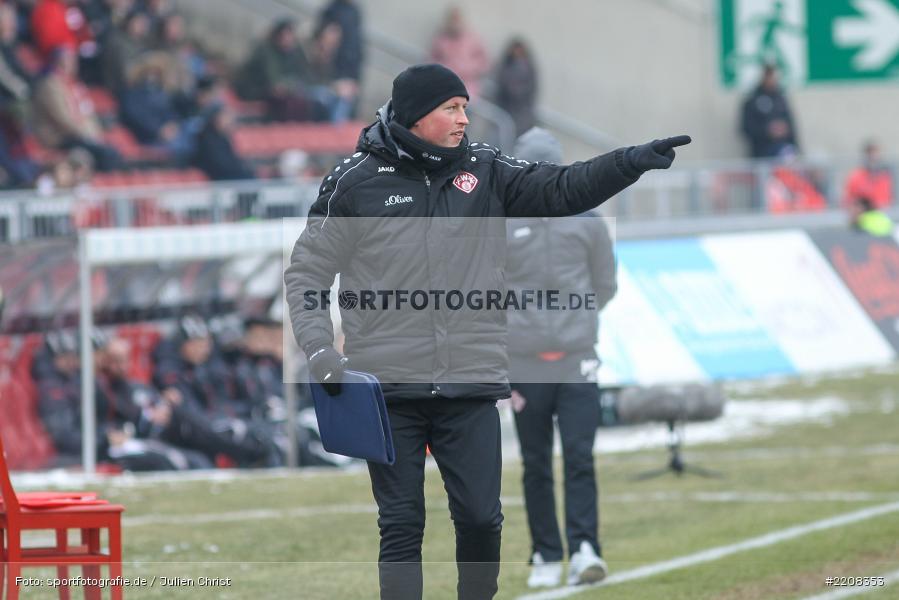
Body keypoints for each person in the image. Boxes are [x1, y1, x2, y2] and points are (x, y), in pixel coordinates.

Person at [284, 63, 690, 599]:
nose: (463, 118)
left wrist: (627, 164)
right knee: (401, 526)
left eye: (465, 107)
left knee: (480, 519)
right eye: (451, 108)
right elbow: (307, 271)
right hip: (388, 388)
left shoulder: (486, 168)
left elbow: (561, 189)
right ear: (414, 115)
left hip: (470, 382)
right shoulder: (353, 182)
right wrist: (317, 348)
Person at [504, 127, 617, 588]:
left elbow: (604, 285)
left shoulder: (588, 221)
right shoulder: (498, 224)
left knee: (578, 456)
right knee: (534, 463)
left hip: (576, 360)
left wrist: (573, 325)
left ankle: (585, 549)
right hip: (523, 363)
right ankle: (545, 554)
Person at [31, 45, 121, 171]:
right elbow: (62, 118)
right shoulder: (50, 85)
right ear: (59, 62)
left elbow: (88, 113)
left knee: (112, 151)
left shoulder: (75, 85)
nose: (73, 64)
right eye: (69, 61)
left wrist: (94, 134)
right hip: (60, 138)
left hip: (78, 136)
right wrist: (85, 134)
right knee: (105, 155)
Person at [740, 64, 799, 159]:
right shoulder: (752, 99)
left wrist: (796, 146)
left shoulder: (780, 98)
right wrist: (767, 131)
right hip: (762, 153)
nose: (773, 81)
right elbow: (746, 128)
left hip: (784, 150)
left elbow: (791, 125)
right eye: (770, 77)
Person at [430, 6, 489, 99]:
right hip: (445, 87)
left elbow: (484, 61)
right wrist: (443, 69)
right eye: (452, 19)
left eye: (457, 19)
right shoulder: (441, 39)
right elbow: (431, 61)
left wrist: (470, 68)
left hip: (468, 87)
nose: (454, 23)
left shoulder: (472, 38)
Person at [496, 38, 538, 136]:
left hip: (521, 113)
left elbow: (528, 88)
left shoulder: (527, 67)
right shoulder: (506, 65)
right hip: (505, 108)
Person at [843, 141, 893, 210]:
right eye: (870, 153)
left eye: (876, 153)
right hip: (862, 213)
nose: (873, 157)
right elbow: (849, 198)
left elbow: (887, 198)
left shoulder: (884, 177)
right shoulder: (856, 176)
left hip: (880, 213)